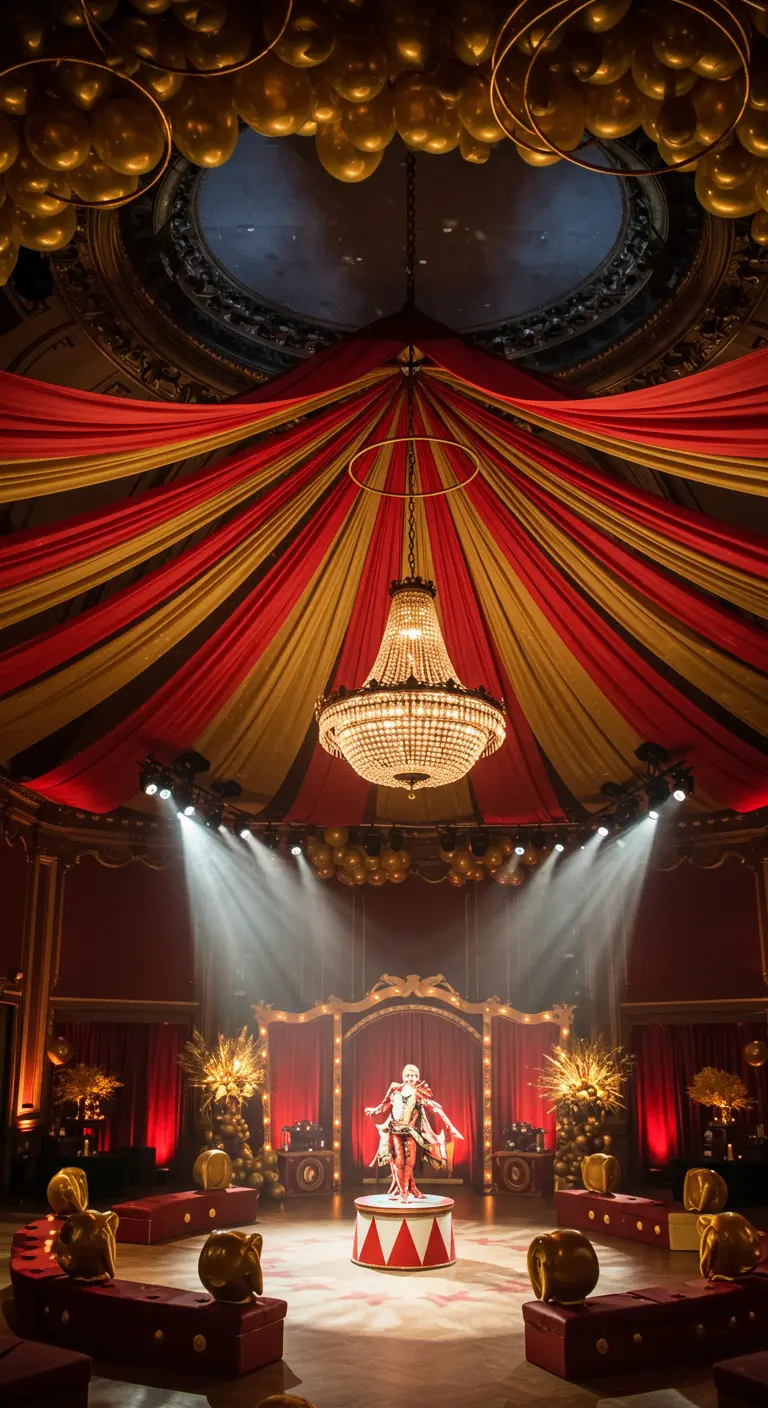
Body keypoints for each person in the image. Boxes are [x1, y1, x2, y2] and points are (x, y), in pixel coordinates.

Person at [364, 1062, 464, 1202]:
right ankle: (403, 1193)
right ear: (403, 1077)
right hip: (395, 1131)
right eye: (408, 1075)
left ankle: (409, 1189)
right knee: (399, 1161)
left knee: (410, 1162)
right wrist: (374, 1111)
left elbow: (434, 1107)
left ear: (417, 1077)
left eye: (413, 1075)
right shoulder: (395, 1090)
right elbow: (384, 1104)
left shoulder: (419, 1093)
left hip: (412, 1133)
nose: (410, 1078)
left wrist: (450, 1126)